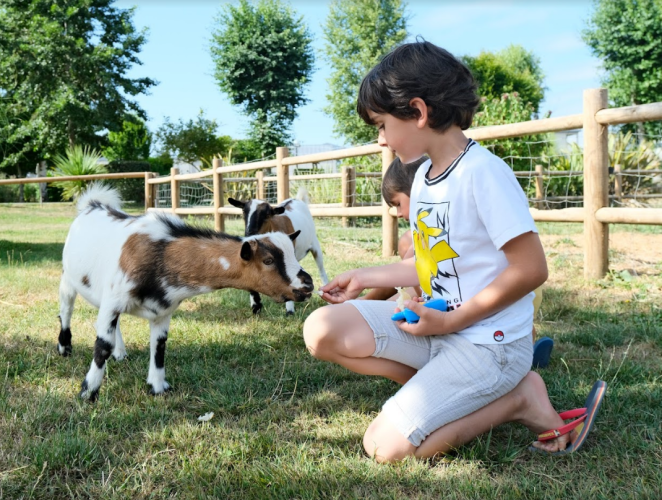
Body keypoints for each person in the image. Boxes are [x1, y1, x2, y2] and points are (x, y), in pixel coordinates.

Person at [303, 40, 605, 462]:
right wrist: (364, 277)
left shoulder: (484, 173)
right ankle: (442, 390)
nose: (380, 140)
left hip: (490, 347)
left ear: (418, 112)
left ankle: (518, 399)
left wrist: (451, 322)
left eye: (382, 125)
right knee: (321, 329)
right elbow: (432, 265)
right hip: (439, 330)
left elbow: (532, 269)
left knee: (384, 449)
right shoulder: (424, 179)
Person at [365, 155, 554, 368]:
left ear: (417, 191)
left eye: (398, 204)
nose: (398, 213)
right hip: (523, 294)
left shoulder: (426, 234)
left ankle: (521, 355)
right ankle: (527, 348)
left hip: (509, 290)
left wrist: (370, 302)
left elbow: (408, 279)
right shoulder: (453, 216)